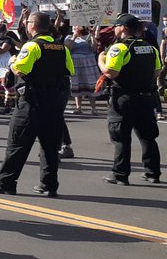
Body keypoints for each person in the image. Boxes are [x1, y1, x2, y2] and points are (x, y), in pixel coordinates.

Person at [0, 10, 73, 199]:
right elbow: (69, 71)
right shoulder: (61, 47)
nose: (25, 25)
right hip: (54, 103)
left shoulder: (32, 46)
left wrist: (13, 62)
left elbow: (21, 70)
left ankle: (6, 182)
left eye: (27, 22)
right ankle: (49, 185)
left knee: (17, 144)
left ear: (33, 25)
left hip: (32, 102)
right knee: (50, 147)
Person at [99, 13, 162, 185]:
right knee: (148, 137)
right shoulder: (151, 47)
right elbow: (157, 72)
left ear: (124, 28)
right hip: (146, 97)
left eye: (117, 26)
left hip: (124, 98)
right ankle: (152, 172)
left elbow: (111, 73)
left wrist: (100, 61)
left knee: (121, 137)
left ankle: (120, 175)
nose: (115, 29)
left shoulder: (119, 48)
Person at [67, 25, 99, 115]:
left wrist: (92, 35)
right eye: (75, 26)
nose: (77, 27)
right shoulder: (69, 37)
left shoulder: (87, 37)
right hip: (75, 63)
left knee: (91, 84)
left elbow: (94, 48)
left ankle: (93, 108)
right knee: (77, 84)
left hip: (88, 62)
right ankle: (78, 107)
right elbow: (68, 48)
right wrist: (74, 36)